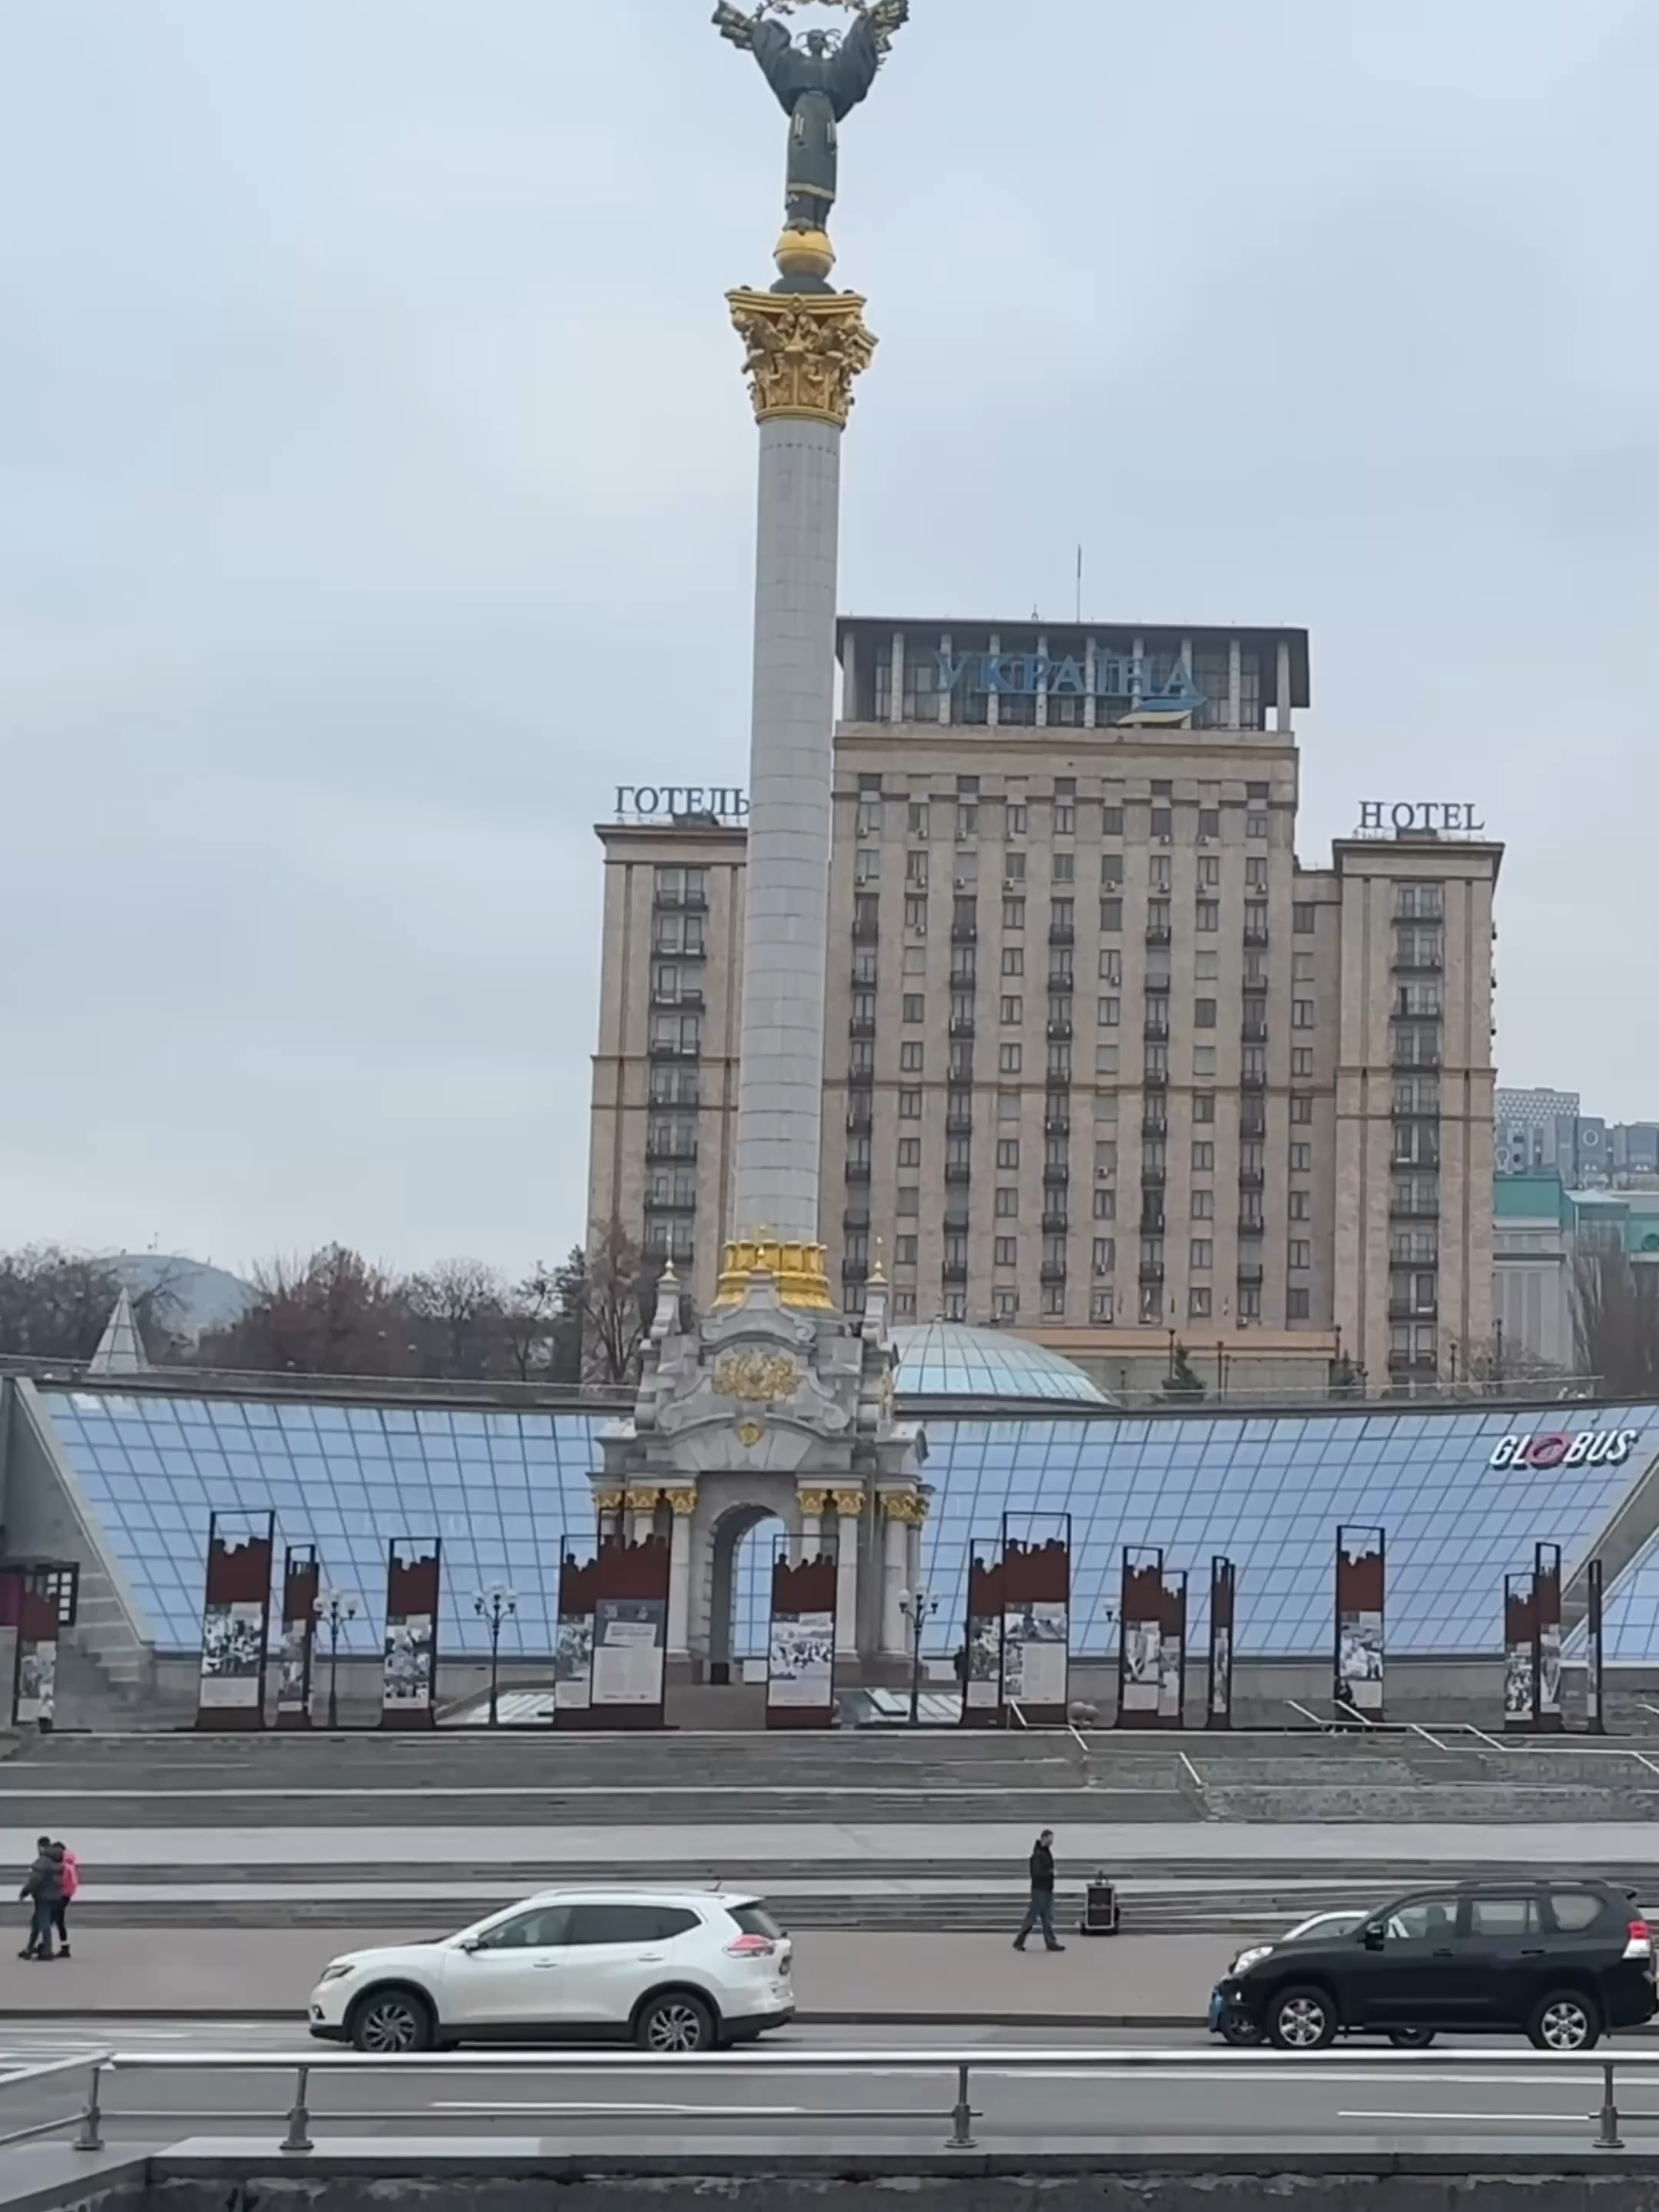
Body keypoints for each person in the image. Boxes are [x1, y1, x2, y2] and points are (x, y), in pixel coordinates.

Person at [1013, 1827, 1065, 1952]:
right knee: (1033, 1916)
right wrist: (1050, 1873)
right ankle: (1019, 1940)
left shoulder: (1045, 1852)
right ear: (1044, 1838)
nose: (1052, 1842)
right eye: (1050, 1839)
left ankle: (1051, 1941)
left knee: (1047, 1916)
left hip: (1046, 1889)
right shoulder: (1037, 1854)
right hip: (1039, 1890)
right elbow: (1036, 1873)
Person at [18, 1837, 64, 1962]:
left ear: (40, 1847)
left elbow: (35, 1879)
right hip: (56, 1896)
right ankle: (30, 1948)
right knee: (37, 1922)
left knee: (43, 1923)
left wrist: (25, 1891)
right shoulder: (58, 1859)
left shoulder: (43, 1861)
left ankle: (46, 1951)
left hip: (44, 1896)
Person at [51, 1839, 78, 1959]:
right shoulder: (69, 1863)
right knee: (58, 1920)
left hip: (62, 1895)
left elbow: (61, 1881)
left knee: (52, 1919)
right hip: (67, 1895)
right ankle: (64, 1947)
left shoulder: (64, 1866)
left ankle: (45, 1945)